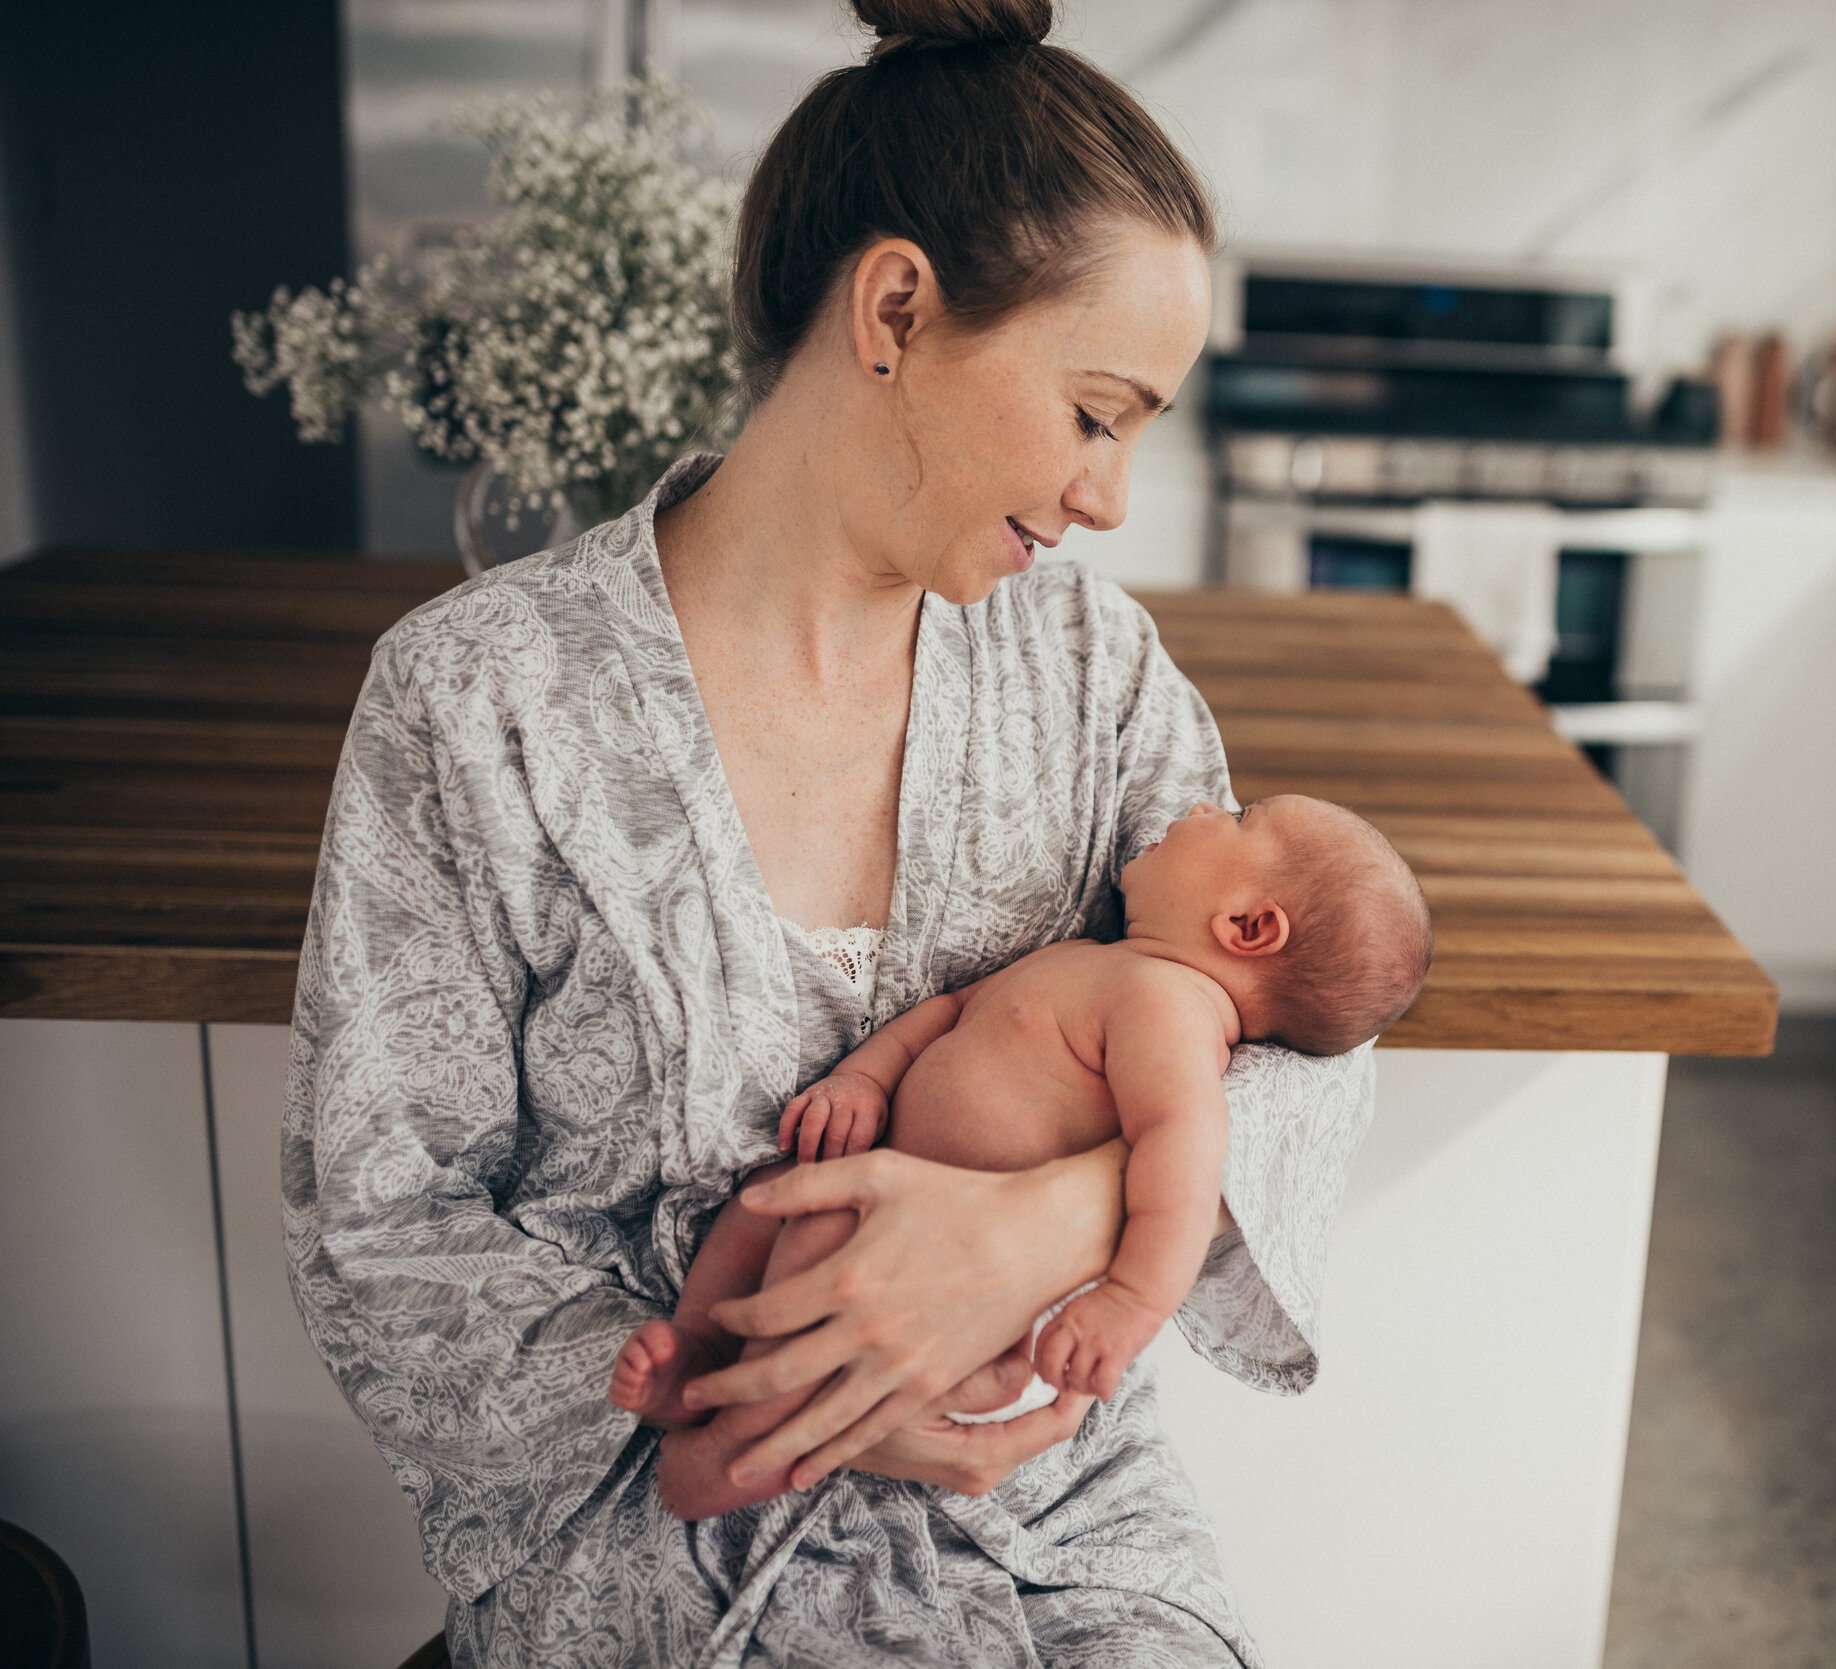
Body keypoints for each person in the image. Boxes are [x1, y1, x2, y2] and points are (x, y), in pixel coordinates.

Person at [281, 2, 1380, 1662]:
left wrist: (1040, 1227)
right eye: (1098, 412)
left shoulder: (1093, 672)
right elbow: (383, 1220)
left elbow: (1302, 1048)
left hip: (1054, 1528)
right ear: (893, 308)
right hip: (657, 1534)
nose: (1111, 500)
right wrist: (774, 1378)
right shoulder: (481, 703)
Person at [610, 795, 1432, 1522]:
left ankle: (735, 1456)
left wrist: (1130, 1301)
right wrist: (865, 1077)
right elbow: (951, 1012)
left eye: (1240, 817)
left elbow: (1183, 1158)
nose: (1203, 805)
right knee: (768, 1196)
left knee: (816, 1247)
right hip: (888, 1174)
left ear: (1248, 925)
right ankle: (703, 1352)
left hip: (955, 1266)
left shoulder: (1172, 1012)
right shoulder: (1109, 965)